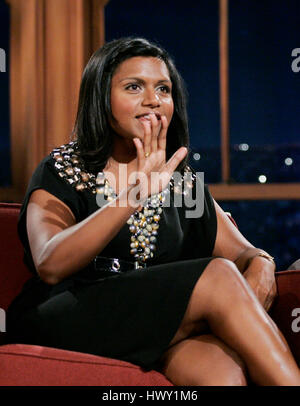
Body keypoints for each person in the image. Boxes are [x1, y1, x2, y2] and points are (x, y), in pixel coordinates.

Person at [6, 37, 300, 386]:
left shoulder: (181, 182)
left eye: (163, 89)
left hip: (156, 323)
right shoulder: (62, 169)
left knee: (221, 372)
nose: (153, 100)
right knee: (219, 276)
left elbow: (243, 252)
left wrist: (263, 263)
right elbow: (51, 264)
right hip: (69, 315)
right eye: (134, 87)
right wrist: (134, 194)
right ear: (101, 99)